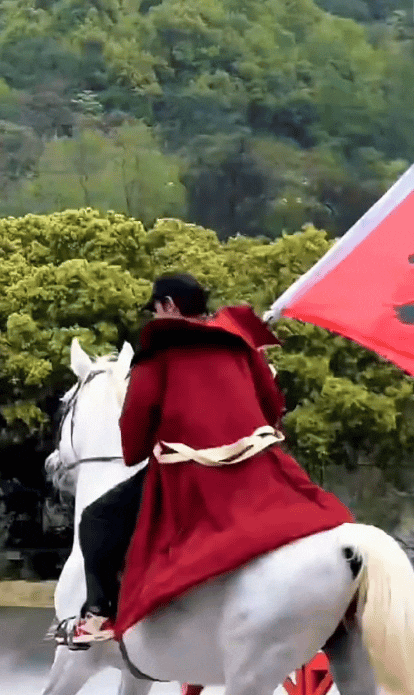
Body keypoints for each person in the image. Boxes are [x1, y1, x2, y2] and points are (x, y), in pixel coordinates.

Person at [69, 273, 353, 648]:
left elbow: (135, 439)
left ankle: (99, 615)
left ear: (169, 305)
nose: (153, 318)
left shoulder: (156, 355)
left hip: (191, 476)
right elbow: (273, 408)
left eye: (155, 309)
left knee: (96, 519)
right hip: (259, 470)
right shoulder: (241, 346)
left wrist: (144, 445)